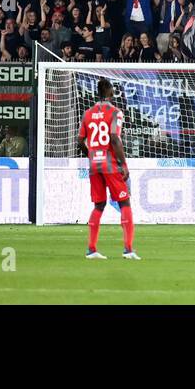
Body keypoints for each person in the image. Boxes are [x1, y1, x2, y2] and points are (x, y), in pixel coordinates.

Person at [79, 78, 138, 260]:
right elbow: (114, 137)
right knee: (124, 203)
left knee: (99, 205)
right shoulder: (115, 112)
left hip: (94, 165)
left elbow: (80, 141)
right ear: (111, 93)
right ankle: (128, 250)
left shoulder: (87, 113)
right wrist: (123, 164)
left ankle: (91, 249)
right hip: (111, 164)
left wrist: (92, 154)